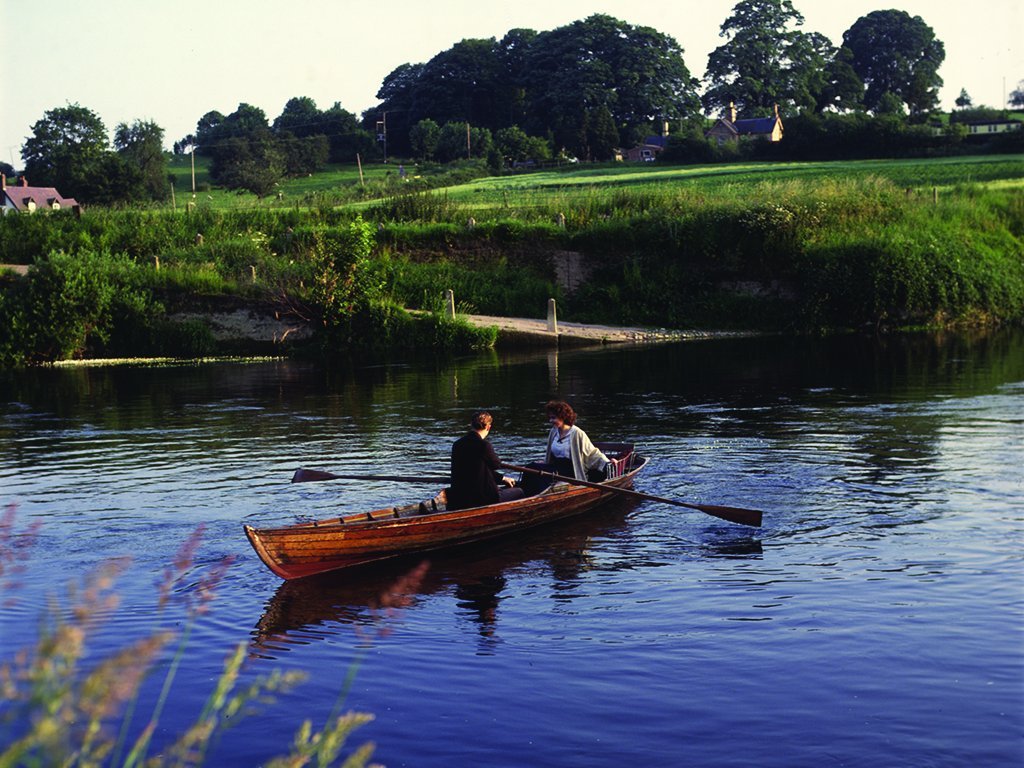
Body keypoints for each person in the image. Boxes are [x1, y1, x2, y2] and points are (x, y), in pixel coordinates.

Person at [448, 411, 524, 511]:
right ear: (488, 427)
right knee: (520, 491)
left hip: (460, 498)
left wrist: (502, 478)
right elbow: (496, 464)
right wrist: (503, 478)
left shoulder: (457, 444)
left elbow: (477, 470)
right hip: (482, 498)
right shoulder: (484, 445)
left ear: (471, 425)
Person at [543, 400, 609, 482]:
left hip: (570, 470)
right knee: (532, 466)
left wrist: (607, 462)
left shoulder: (577, 433)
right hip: (556, 467)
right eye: (550, 418)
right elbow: (549, 455)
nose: (550, 421)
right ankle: (524, 490)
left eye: (553, 418)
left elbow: (591, 452)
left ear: (562, 417)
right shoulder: (553, 431)